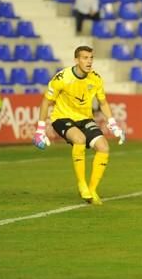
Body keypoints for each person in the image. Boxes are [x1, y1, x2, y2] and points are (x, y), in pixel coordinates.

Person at [33, 46, 125, 205]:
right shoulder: (62, 78)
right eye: (85, 58)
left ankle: (92, 190)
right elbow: (46, 101)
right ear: (76, 60)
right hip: (62, 117)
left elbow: (103, 102)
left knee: (104, 147)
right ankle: (82, 184)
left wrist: (113, 124)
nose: (89, 61)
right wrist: (40, 129)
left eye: (91, 58)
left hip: (84, 118)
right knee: (79, 139)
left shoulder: (95, 78)